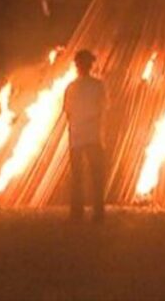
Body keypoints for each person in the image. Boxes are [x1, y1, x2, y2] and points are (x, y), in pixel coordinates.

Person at [62, 49, 107, 222]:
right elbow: (102, 109)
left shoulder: (71, 87)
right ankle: (98, 211)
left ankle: (77, 212)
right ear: (90, 65)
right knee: (96, 174)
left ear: (77, 66)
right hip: (93, 136)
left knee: (77, 176)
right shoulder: (98, 86)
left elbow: (67, 112)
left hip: (76, 137)